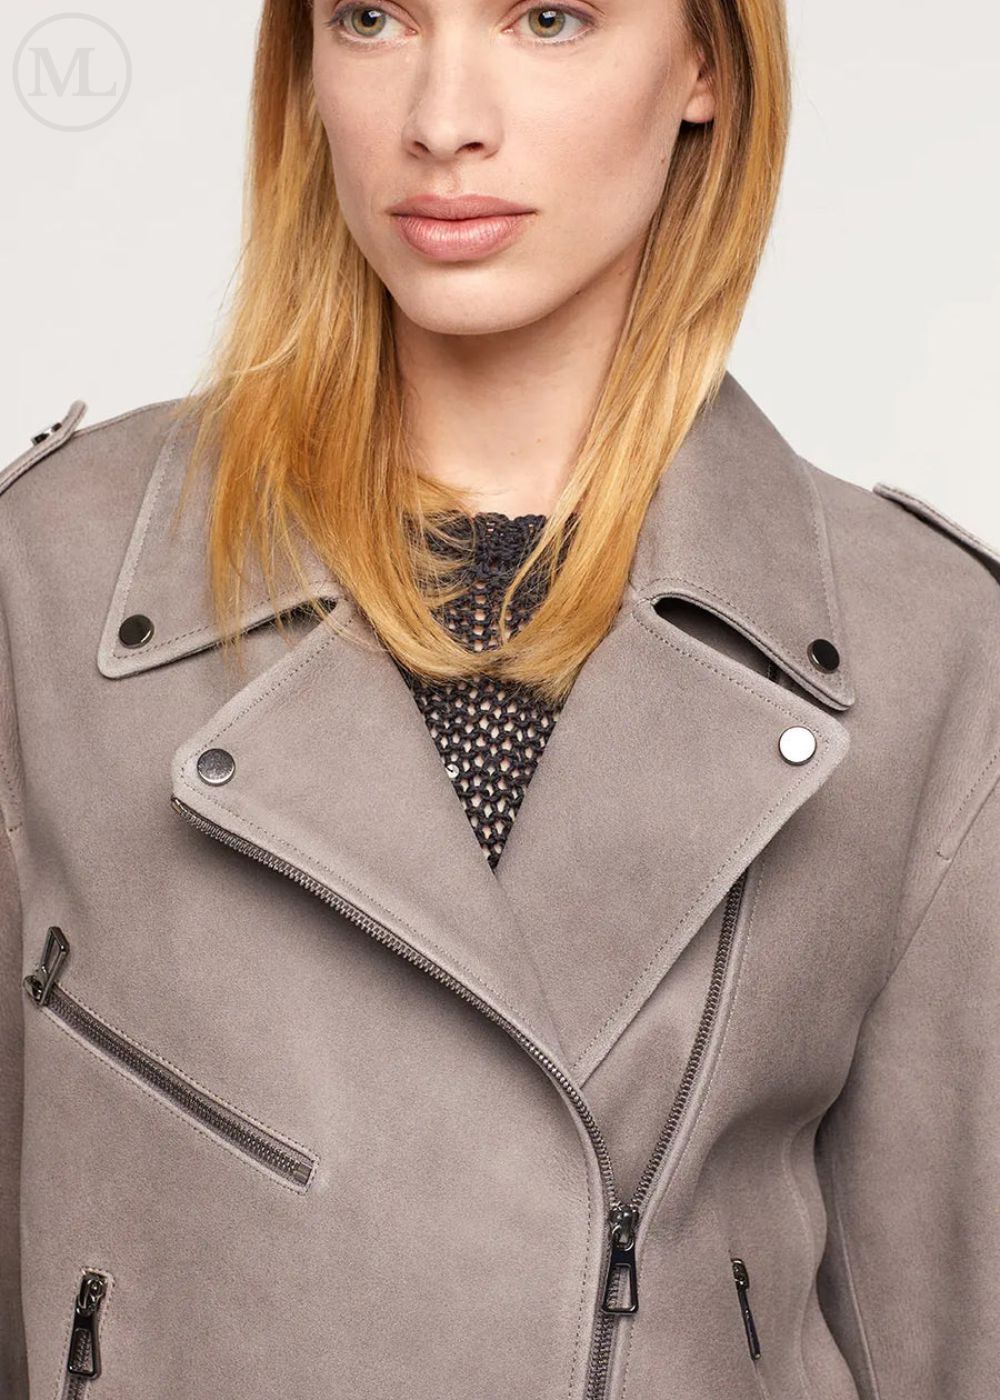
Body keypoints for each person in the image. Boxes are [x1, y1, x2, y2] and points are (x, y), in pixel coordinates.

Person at [1, 0, 998, 1396]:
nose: (442, 118)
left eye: (548, 18)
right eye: (372, 19)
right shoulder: (49, 578)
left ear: (706, 61)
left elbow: (952, 1336)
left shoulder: (927, 648)